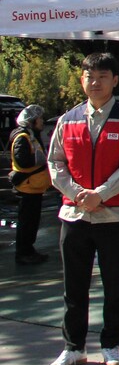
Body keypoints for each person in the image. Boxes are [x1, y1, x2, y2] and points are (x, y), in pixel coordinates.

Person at [45, 53, 119, 365]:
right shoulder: (68, 120)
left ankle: (111, 345)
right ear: (82, 80)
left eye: (103, 76)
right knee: (73, 286)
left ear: (115, 80)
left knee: (114, 284)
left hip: (113, 216)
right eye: (89, 75)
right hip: (74, 216)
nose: (95, 81)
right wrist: (77, 194)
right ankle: (74, 347)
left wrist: (100, 194)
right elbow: (55, 163)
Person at [9, 104, 51, 265]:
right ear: (31, 121)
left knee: (32, 222)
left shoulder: (31, 136)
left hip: (34, 187)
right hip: (27, 187)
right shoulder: (23, 137)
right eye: (39, 119)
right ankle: (23, 253)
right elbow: (23, 161)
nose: (42, 121)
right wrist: (41, 160)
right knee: (27, 222)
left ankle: (29, 250)